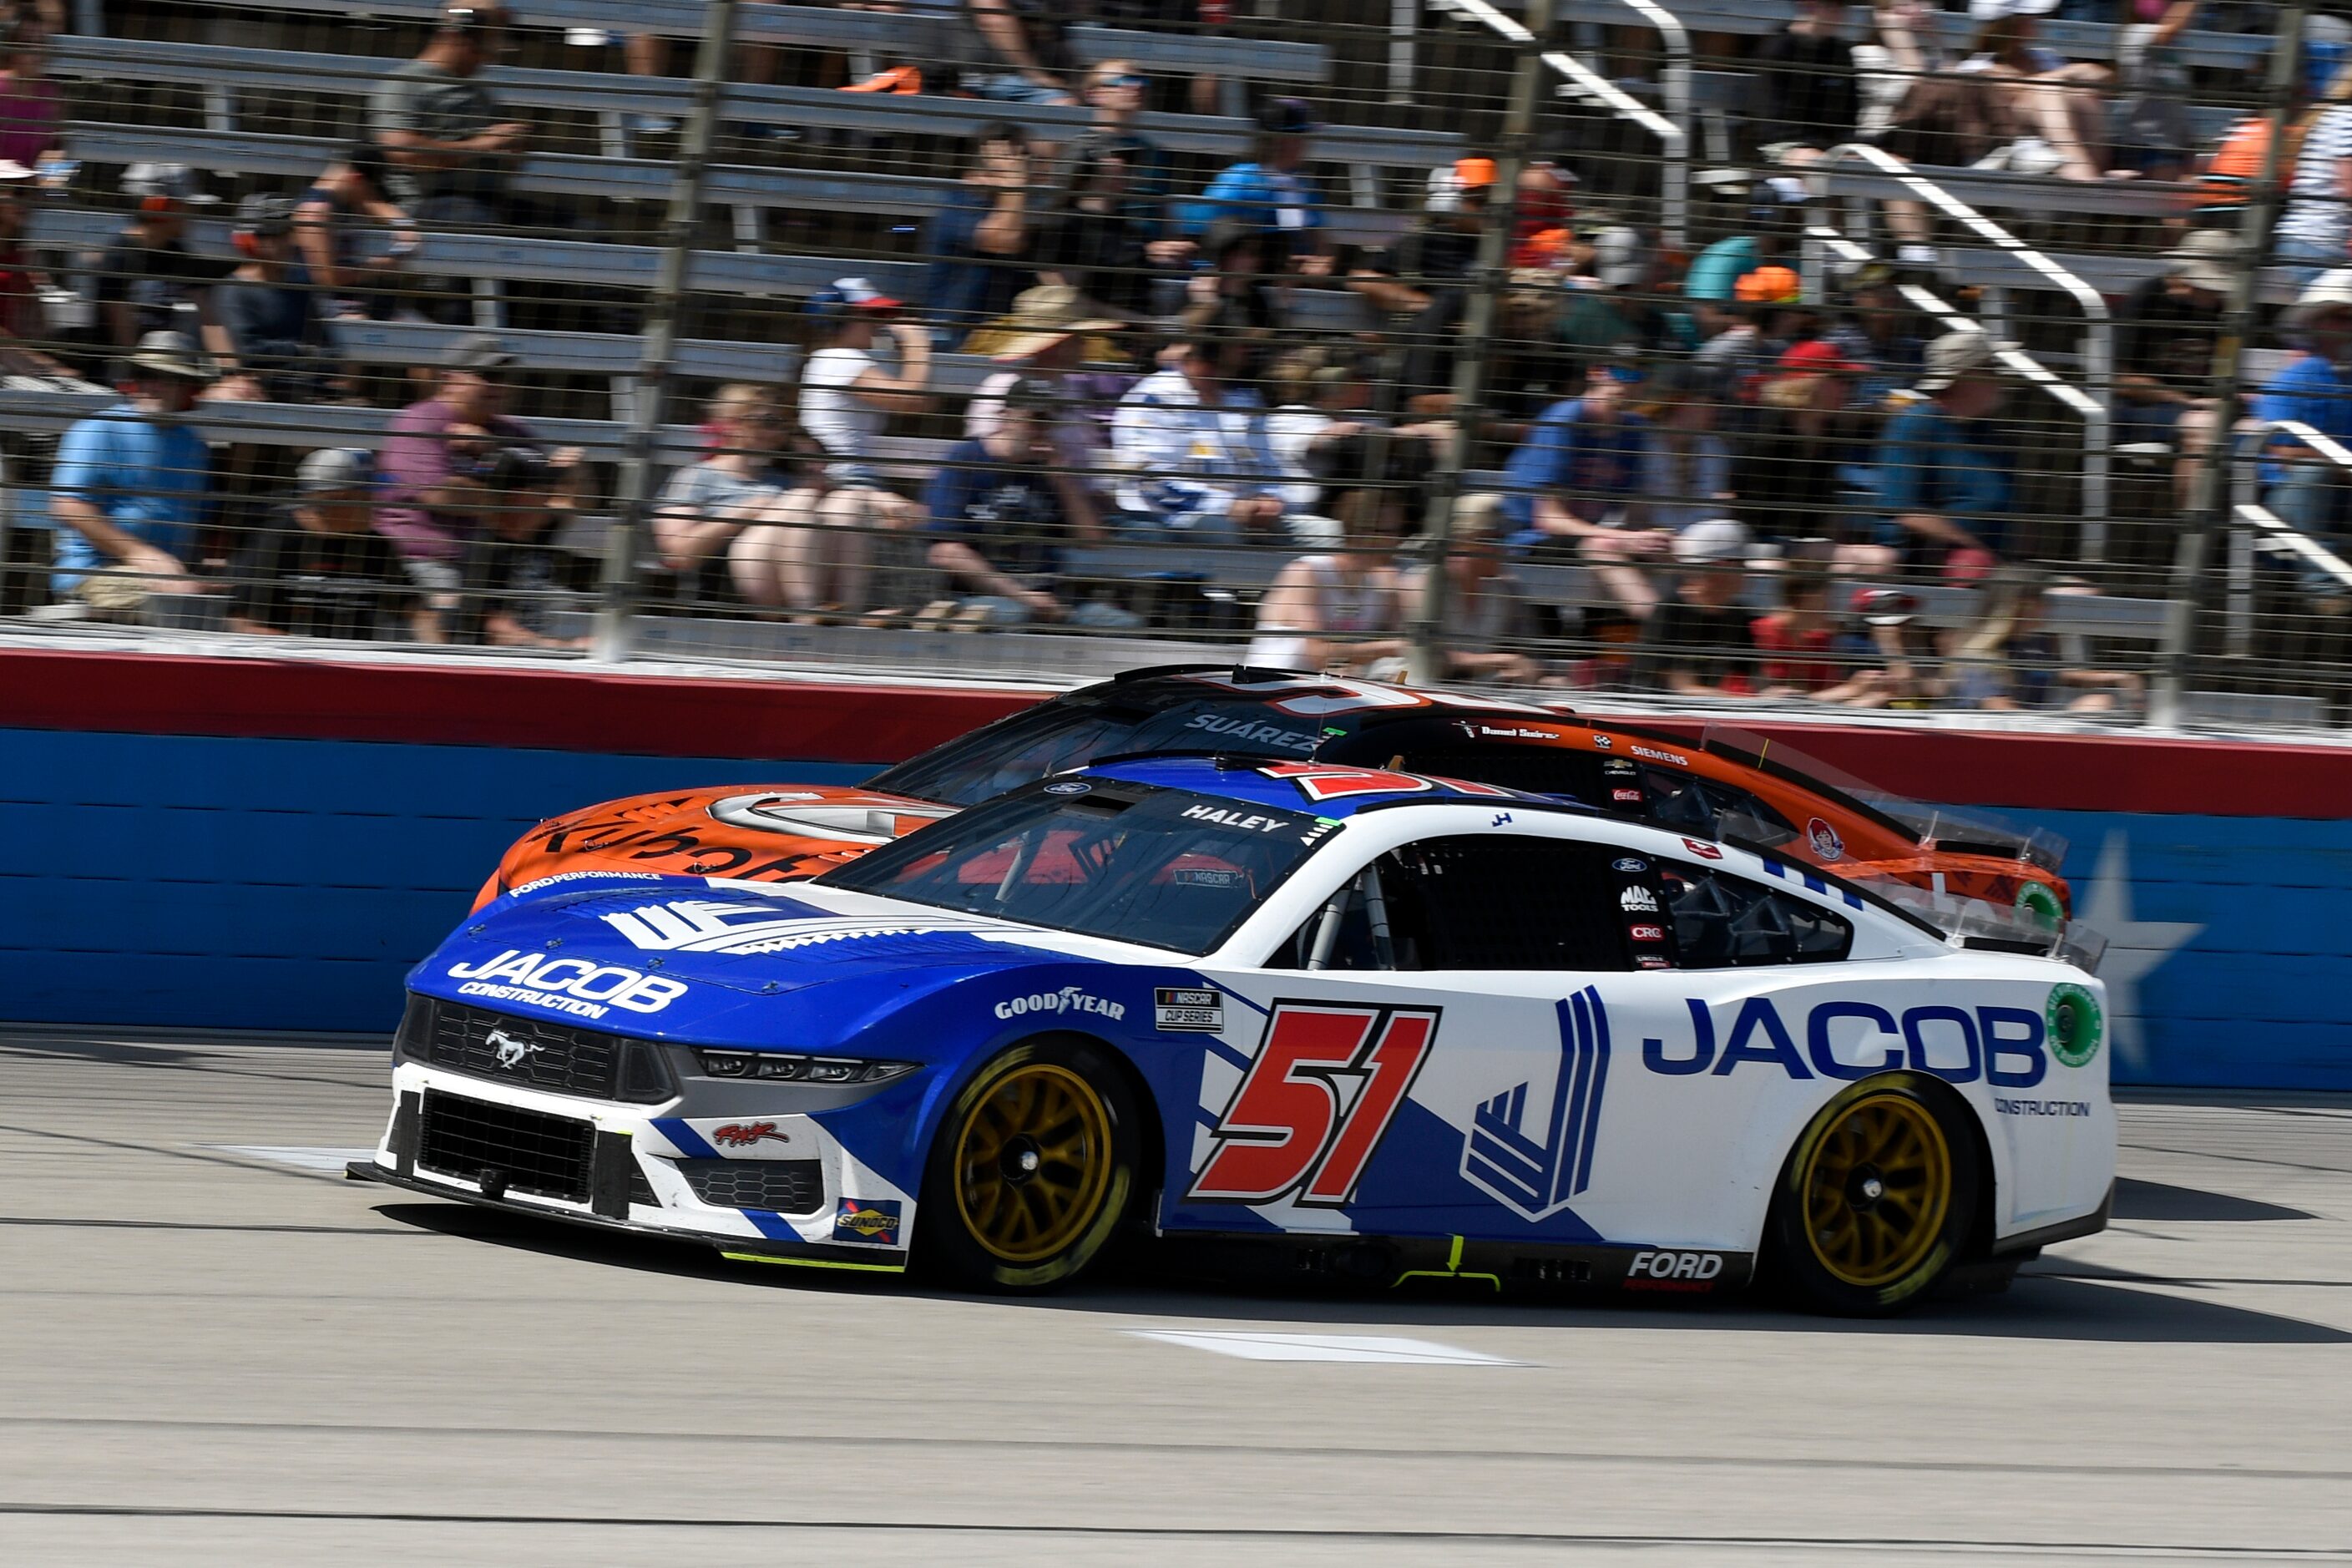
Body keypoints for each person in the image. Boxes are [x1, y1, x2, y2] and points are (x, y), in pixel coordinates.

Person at [376, 332, 581, 639]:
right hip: (430, 563)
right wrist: (517, 496)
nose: (500, 385)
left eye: (505, 377)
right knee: (465, 625)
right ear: (450, 379)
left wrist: (494, 452)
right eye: (488, 375)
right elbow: (442, 495)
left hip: (499, 562)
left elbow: (565, 498)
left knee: (566, 609)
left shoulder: (510, 431)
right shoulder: (419, 423)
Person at [922, 379, 1141, 630]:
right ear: (1006, 417)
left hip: (1050, 596)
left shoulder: (1048, 470)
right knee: (1015, 616)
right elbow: (947, 553)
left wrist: (1063, 480)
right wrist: (1023, 596)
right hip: (983, 596)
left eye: (1049, 421)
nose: (1043, 429)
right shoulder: (966, 460)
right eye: (1035, 419)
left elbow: (1091, 539)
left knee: (1124, 625)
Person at [48, 331, 215, 618]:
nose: (153, 385)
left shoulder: (194, 445)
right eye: (146, 375)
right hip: (96, 575)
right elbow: (68, 506)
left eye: (167, 377)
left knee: (236, 599)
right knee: (182, 604)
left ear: (189, 389)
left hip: (171, 577)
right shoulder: (100, 430)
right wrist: (138, 554)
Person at [797, 277, 931, 606]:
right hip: (845, 480)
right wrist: (917, 344)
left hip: (850, 479)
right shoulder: (839, 358)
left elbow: (925, 403)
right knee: (919, 521)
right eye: (869, 317)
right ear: (843, 319)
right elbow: (911, 400)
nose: (878, 325)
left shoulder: (836, 359)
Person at [1499, 357, 1667, 617]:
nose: (1627, 384)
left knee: (1667, 547)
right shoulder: (1566, 420)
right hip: (1535, 540)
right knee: (1602, 547)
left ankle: (1701, 631)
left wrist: (1651, 537)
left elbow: (1637, 515)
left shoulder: (1635, 430)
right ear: (1595, 373)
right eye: (1620, 372)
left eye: (1638, 376)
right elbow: (1548, 519)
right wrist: (1624, 538)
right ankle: (1661, 630)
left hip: (1590, 536)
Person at [1108, 313, 1287, 544]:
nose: (1246, 355)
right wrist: (1227, 505)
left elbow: (1269, 466)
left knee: (1320, 532)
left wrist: (1270, 497)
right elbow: (1150, 480)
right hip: (1169, 515)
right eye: (1239, 348)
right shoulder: (1156, 397)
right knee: (1220, 531)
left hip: (1248, 513)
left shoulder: (1244, 399)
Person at [653, 382, 829, 611]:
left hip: (785, 575)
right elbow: (679, 553)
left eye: (784, 424)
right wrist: (743, 514)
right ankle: (806, 609)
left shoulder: (786, 479)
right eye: (768, 422)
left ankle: (833, 608)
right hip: (725, 580)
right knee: (801, 500)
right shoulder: (695, 477)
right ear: (732, 423)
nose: (778, 433)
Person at [1245, 436, 1414, 674]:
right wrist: (1393, 647)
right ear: (1362, 534)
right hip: (1274, 689)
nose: (1398, 542)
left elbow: (1406, 643)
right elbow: (1317, 654)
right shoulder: (1307, 574)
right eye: (1390, 533)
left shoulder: (1382, 584)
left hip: (1332, 695)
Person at [225, 448, 411, 640]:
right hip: (291, 659)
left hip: (357, 661)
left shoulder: (376, 545)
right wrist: (305, 651)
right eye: (370, 495)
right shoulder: (276, 541)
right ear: (341, 499)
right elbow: (241, 621)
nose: (378, 504)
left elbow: (413, 609)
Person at [368, 3, 528, 229]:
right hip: (430, 204)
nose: (489, 59)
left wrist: (511, 151)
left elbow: (501, 157)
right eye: (485, 48)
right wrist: (484, 144)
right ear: (460, 36)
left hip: (488, 202)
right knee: (474, 218)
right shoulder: (406, 84)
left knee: (580, 228)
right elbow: (403, 151)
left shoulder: (480, 93)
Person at [1731, 339, 1885, 567]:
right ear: (1810, 382)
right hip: (1756, 542)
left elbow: (1828, 508)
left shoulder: (1831, 432)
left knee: (1878, 560)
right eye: (1839, 380)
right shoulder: (1765, 430)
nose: (1847, 388)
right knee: (1773, 565)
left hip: (1804, 543)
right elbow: (1738, 502)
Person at [1874, 331, 2018, 571]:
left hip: (1991, 564)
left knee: (2077, 593)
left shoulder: (1989, 432)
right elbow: (1904, 512)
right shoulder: (1917, 424)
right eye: (1992, 368)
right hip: (1929, 560)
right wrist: (1979, 552)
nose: (2001, 378)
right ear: (1964, 377)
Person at [2117, 229, 2231, 511]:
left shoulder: (2229, 310)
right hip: (2140, 409)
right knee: (2201, 429)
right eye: (2213, 286)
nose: (2219, 293)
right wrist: (2186, 401)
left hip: (2208, 408)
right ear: (2188, 279)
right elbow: (2119, 380)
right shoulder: (2147, 299)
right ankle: (2194, 533)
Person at [2256, 272, 2352, 592]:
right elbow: (2279, 451)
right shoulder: (2293, 380)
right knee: (2312, 473)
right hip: (2293, 498)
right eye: (2343, 318)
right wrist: (2341, 463)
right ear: (2317, 324)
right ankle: (2322, 585)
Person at [1182, 98, 1330, 276]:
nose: (1306, 144)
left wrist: (1320, 262)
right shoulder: (1239, 180)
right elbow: (1204, 236)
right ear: (1280, 140)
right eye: (1301, 137)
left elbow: (1319, 239)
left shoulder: (1305, 185)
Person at [1408, 493, 1544, 685]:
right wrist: (1502, 661)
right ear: (1467, 540)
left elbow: (1529, 655)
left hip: (1473, 686)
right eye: (1496, 538)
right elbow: (1428, 657)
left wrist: (1522, 670)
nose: (1505, 549)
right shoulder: (1423, 585)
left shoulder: (1505, 591)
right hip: (1411, 683)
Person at [93, 164, 229, 354]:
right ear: (160, 207)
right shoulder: (119, 256)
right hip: (128, 366)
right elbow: (122, 332)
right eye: (186, 206)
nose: (192, 214)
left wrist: (229, 365)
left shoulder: (178, 253)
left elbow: (209, 317)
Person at [923, 123, 1037, 346]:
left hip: (999, 337)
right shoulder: (961, 204)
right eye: (1017, 160)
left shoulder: (1017, 207)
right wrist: (1014, 186)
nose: (1027, 168)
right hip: (955, 341)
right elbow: (1004, 240)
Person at [214, 195, 336, 403]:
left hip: (311, 391)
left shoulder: (300, 288)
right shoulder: (235, 291)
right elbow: (249, 354)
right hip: (262, 395)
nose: (287, 242)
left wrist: (290, 356)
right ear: (251, 241)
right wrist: (300, 351)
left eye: (288, 233)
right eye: (277, 234)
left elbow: (332, 353)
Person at [1631, 518, 1760, 698]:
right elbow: (1683, 688)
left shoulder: (1737, 615)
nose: (1747, 573)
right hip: (1658, 714)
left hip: (1710, 710)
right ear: (1721, 567)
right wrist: (1748, 699)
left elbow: (1755, 678)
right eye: (1742, 565)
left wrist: (1777, 694)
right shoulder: (1670, 612)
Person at [291, 144, 417, 321]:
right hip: (316, 303)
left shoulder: (348, 193)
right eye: (370, 189)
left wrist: (405, 227)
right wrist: (381, 266)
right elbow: (328, 278)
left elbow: (379, 207)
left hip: (354, 298)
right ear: (357, 179)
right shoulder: (315, 211)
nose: (370, 197)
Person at [1039, 144, 1162, 323]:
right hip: (1094, 332)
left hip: (1137, 329)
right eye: (1105, 158)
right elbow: (1065, 295)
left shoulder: (1128, 227)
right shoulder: (1065, 224)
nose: (1118, 163)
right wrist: (1136, 321)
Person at [1748, 0, 1860, 165]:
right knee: (1817, 164)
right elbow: (1774, 118)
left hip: (1831, 148)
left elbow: (1850, 115)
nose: (1839, 15)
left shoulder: (1842, 53)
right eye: (1831, 7)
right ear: (1809, 6)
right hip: (1784, 145)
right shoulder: (1779, 47)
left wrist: (1850, 149)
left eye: (1841, 8)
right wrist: (1819, 149)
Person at [0, 11, 63, 175]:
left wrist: (46, 188)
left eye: (41, 44)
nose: (36, 53)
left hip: (26, 191)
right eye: (27, 44)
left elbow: (55, 151)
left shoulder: (50, 96)